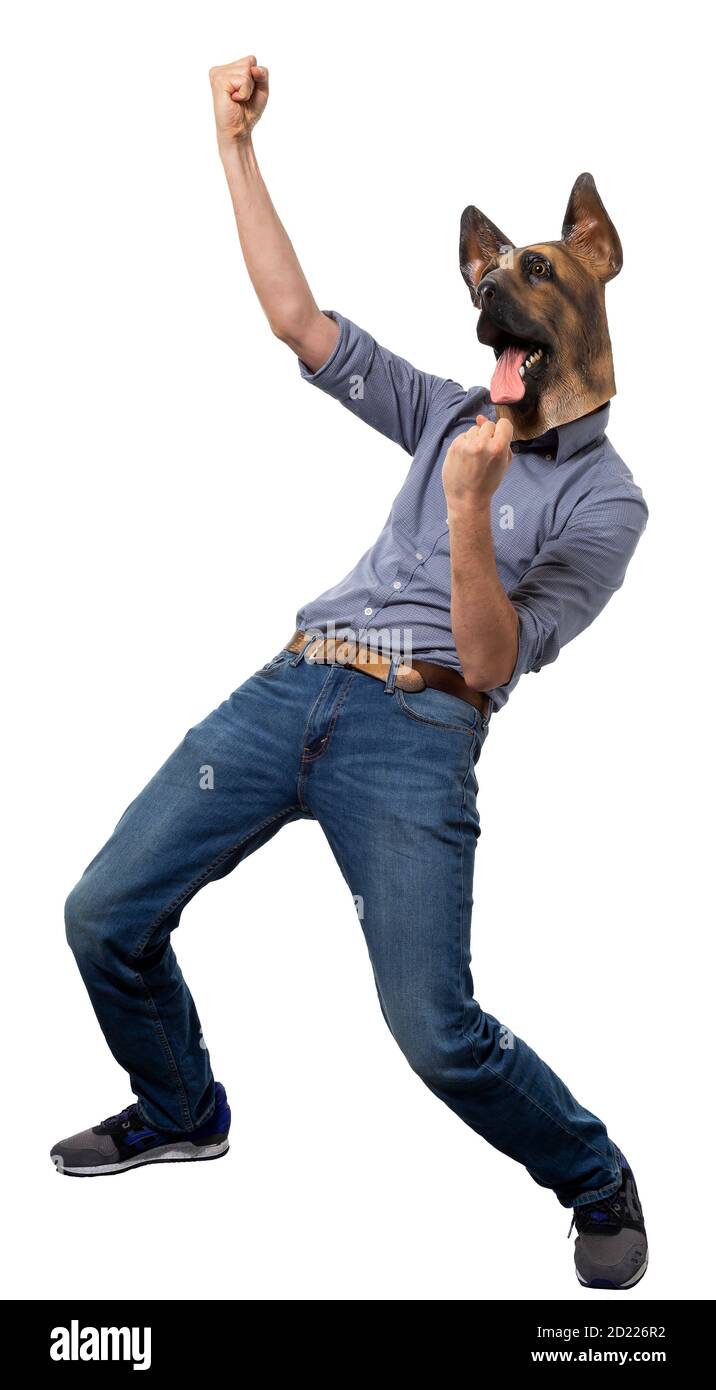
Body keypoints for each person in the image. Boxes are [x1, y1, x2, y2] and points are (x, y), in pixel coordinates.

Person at [52, 56, 648, 1291]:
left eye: (529, 273)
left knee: (435, 1035)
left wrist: (470, 512)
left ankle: (593, 1177)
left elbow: (489, 663)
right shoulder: (443, 404)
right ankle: (181, 1107)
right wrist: (233, 148)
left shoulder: (607, 500)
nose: (496, 291)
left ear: (595, 268)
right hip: (294, 684)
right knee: (103, 913)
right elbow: (298, 322)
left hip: (417, 729)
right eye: (487, 283)